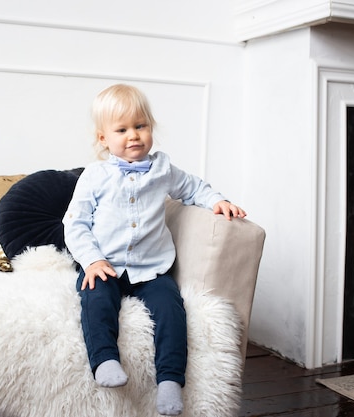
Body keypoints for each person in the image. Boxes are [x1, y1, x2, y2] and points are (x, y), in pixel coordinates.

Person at [63, 84, 246, 416]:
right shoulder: (95, 176)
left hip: (152, 268)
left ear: (151, 128)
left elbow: (192, 188)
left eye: (140, 126)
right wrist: (92, 260)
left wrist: (217, 200)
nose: (133, 135)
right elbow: (75, 223)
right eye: (122, 130)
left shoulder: (162, 169)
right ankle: (104, 360)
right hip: (106, 265)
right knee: (95, 299)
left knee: (171, 309)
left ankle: (170, 381)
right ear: (104, 139)